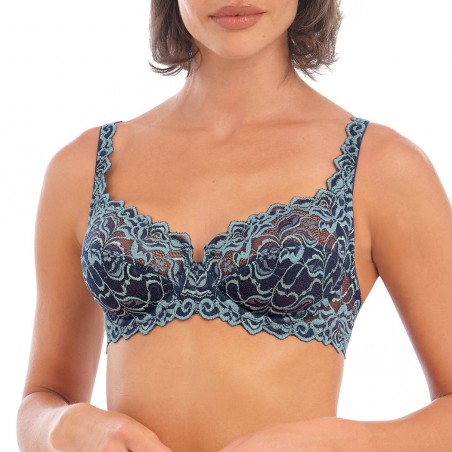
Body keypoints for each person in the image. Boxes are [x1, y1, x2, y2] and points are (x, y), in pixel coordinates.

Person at [16, 1, 452, 451]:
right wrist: (61, 426)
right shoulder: (82, 168)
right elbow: (41, 399)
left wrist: (341, 443)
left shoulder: (381, 167)